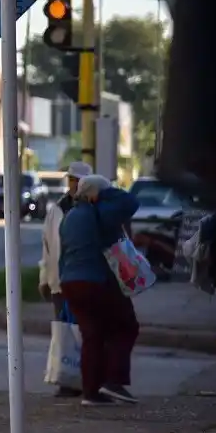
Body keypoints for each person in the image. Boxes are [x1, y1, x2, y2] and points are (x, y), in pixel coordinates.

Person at [59, 174, 141, 406]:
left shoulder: (69, 217)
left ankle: (91, 393)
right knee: (125, 326)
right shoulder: (100, 213)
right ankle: (114, 381)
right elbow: (131, 202)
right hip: (95, 281)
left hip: (70, 282)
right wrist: (104, 192)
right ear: (96, 195)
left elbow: (63, 255)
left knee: (92, 336)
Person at [38, 161, 92, 398]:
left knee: (86, 331)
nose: (73, 184)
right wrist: (44, 279)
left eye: (77, 180)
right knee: (63, 332)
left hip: (85, 280)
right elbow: (47, 247)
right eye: (70, 180)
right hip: (60, 282)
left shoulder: (93, 208)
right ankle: (66, 379)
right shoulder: (56, 209)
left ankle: (87, 380)